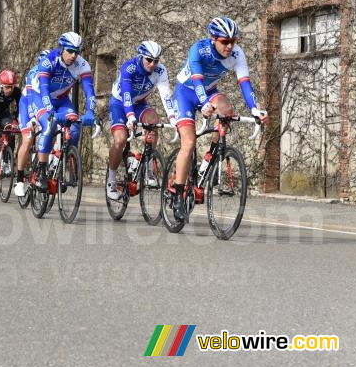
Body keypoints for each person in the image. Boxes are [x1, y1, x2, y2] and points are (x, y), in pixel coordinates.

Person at [171, 16, 269, 221]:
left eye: (234, 41)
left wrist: (254, 109)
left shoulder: (236, 53)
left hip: (209, 91)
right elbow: (197, 79)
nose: (230, 45)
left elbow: (244, 81)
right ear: (213, 38)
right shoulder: (198, 49)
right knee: (188, 143)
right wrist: (203, 103)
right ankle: (178, 195)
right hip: (186, 93)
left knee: (226, 110)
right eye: (225, 41)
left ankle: (210, 157)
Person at [106, 40, 177, 200]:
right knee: (120, 140)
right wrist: (130, 117)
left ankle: (148, 167)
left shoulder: (160, 71)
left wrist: (172, 117)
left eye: (156, 61)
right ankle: (111, 181)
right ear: (141, 57)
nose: (152, 64)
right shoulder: (129, 68)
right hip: (119, 103)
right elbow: (125, 94)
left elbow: (166, 94)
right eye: (149, 60)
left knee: (153, 121)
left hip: (139, 104)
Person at [31, 32, 97, 191]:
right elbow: (45, 89)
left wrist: (90, 112)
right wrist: (50, 111)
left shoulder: (82, 65)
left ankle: (64, 160)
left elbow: (89, 91)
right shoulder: (49, 61)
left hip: (61, 99)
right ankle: (41, 171)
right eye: (70, 51)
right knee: (50, 124)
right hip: (40, 96)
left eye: (77, 51)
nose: (74, 55)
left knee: (74, 125)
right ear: (61, 49)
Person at [13, 51, 48, 197]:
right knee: (27, 140)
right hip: (27, 105)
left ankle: (44, 168)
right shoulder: (33, 74)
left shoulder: (57, 74)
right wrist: (33, 119)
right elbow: (32, 99)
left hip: (44, 105)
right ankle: (20, 180)